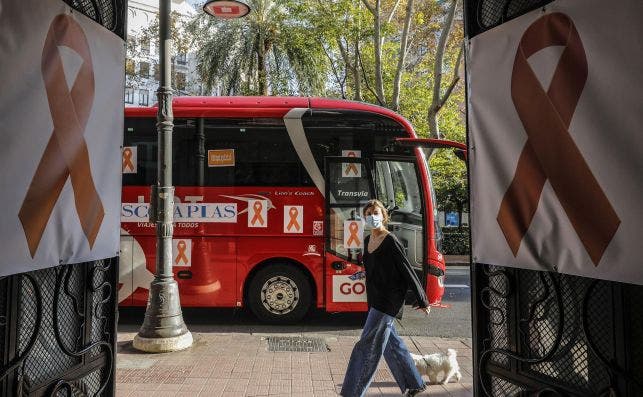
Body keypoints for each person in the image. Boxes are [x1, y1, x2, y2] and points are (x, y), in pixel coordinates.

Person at [340, 199, 430, 397]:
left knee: (366, 347)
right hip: (375, 299)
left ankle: (352, 392)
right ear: (364, 218)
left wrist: (422, 299)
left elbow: (406, 270)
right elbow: (373, 269)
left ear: (384, 216)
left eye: (376, 212)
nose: (372, 216)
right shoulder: (366, 241)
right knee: (391, 344)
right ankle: (413, 383)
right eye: (369, 213)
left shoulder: (391, 241)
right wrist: (358, 275)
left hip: (388, 300)